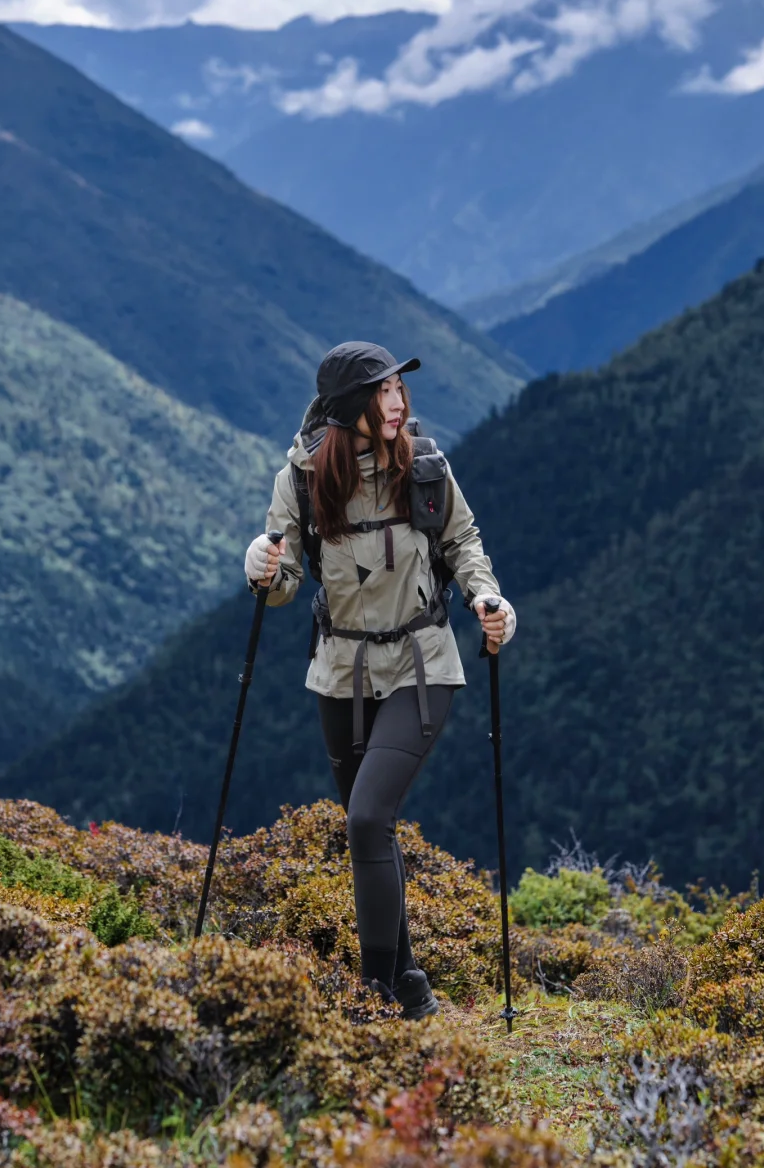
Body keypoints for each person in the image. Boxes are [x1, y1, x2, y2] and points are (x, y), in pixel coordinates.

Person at [243, 342, 515, 1020]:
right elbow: (280, 583)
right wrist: (261, 567)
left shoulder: (424, 467)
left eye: (399, 388)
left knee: (366, 818)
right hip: (340, 671)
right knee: (373, 830)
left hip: (423, 662)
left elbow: (463, 541)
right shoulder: (304, 479)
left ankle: (375, 997)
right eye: (382, 391)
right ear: (348, 408)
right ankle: (412, 985)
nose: (397, 402)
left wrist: (489, 599)